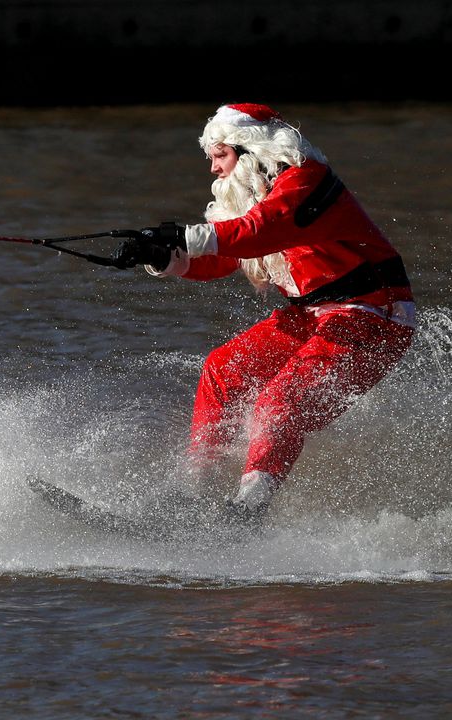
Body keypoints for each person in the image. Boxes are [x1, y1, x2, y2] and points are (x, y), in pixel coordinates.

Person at [112, 103, 415, 523]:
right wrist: (162, 257)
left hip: (376, 313)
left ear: (250, 149)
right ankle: (191, 498)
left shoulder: (307, 180)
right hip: (312, 315)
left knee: (278, 401)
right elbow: (222, 257)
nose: (214, 169)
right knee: (222, 369)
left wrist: (180, 235)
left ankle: (248, 513)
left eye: (220, 156)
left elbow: (259, 232)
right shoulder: (250, 194)